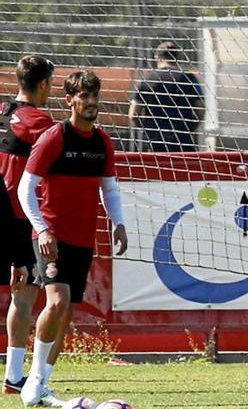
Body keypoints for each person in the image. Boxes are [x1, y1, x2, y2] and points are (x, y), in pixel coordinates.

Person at [18, 71, 128, 406]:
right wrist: (43, 229)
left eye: (95, 96)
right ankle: (32, 382)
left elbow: (109, 188)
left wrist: (119, 223)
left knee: (66, 314)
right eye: (84, 96)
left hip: (82, 239)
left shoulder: (102, 142)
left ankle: (42, 384)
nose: (91, 102)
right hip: (51, 236)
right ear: (69, 100)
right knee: (57, 302)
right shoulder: (54, 137)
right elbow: (26, 189)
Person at [0, 56, 56, 399]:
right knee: (25, 294)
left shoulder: (3, 109)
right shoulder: (40, 121)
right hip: (18, 217)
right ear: (45, 84)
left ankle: (14, 375)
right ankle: (15, 375)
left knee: (20, 294)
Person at [129, 41, 204, 152]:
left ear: (156, 57)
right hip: (182, 140)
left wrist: (148, 129)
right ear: (176, 57)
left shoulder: (147, 80)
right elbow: (200, 109)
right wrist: (189, 128)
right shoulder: (189, 78)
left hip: (155, 141)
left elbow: (133, 115)